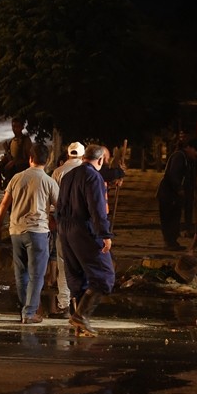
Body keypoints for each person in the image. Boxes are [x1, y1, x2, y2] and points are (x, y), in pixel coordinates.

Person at [0, 142, 59, 324]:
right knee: (37, 275)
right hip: (38, 232)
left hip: (15, 231)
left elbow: (4, 204)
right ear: (47, 161)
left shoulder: (16, 178)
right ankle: (29, 313)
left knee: (21, 273)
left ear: (30, 158)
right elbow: (60, 207)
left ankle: (26, 308)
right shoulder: (48, 181)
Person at [56, 144, 116, 336]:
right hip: (83, 229)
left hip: (65, 229)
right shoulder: (93, 176)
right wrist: (104, 235)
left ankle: (79, 322)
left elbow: (59, 206)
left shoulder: (68, 176)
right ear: (99, 160)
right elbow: (97, 208)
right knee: (104, 276)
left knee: (77, 276)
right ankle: (81, 316)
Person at [49, 141, 87, 316]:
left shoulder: (58, 171)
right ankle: (79, 305)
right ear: (81, 155)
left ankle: (64, 304)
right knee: (81, 264)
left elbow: (52, 203)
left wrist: (53, 221)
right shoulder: (88, 172)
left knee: (64, 265)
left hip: (63, 224)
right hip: (82, 226)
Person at [156, 139, 197, 250]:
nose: (196, 153)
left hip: (172, 194)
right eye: (195, 150)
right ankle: (170, 242)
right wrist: (179, 189)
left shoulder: (184, 158)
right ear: (188, 147)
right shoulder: (179, 157)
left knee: (174, 217)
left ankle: (171, 241)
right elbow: (173, 175)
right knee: (170, 218)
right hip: (170, 194)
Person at [0, 118, 33, 190]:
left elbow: (30, 159)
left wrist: (15, 162)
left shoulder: (25, 141)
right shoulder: (12, 141)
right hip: (11, 177)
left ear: (22, 127)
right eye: (13, 126)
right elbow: (10, 156)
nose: (15, 129)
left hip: (21, 177)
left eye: (17, 126)